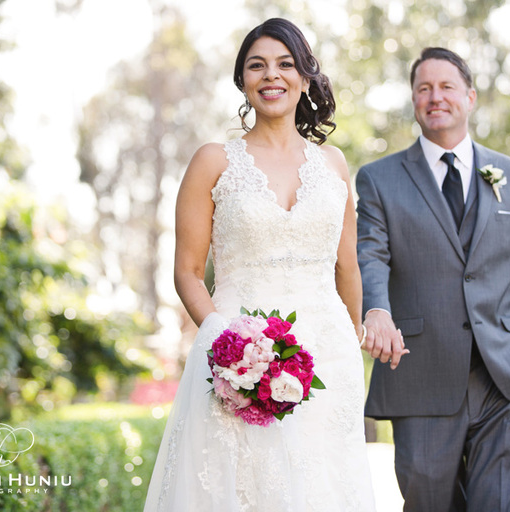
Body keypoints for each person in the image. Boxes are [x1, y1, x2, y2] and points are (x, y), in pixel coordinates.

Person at [144, 18, 376, 512]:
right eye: (257, 65)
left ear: (305, 78)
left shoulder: (334, 164)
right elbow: (187, 272)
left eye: (285, 64)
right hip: (236, 356)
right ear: (243, 81)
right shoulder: (213, 161)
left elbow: (348, 268)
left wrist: (351, 344)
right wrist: (229, 346)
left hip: (329, 359)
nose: (272, 75)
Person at [356, 47, 510, 511]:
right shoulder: (379, 179)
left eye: (446, 86)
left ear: (470, 97)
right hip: (419, 373)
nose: (435, 97)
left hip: (507, 377)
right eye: (424, 88)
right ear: (413, 99)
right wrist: (377, 309)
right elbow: (371, 255)